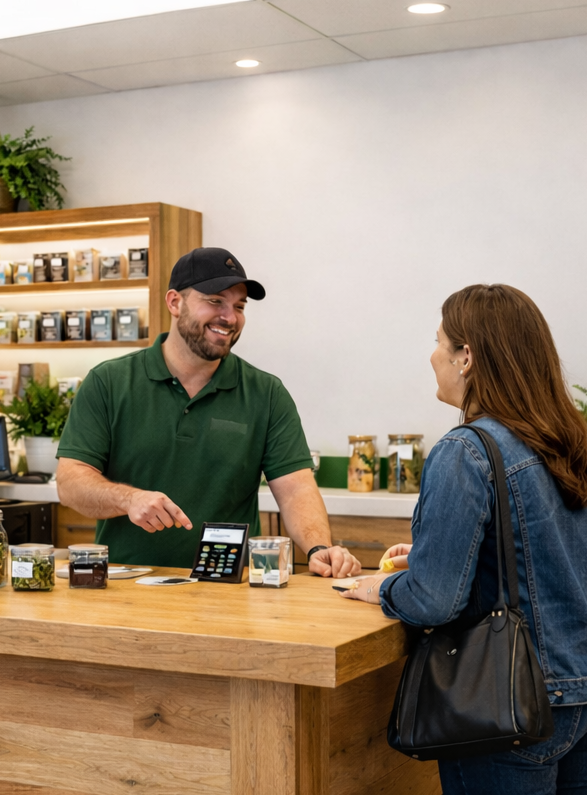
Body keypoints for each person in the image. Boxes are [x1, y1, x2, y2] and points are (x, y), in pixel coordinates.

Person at [340, 284, 587, 795]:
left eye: (438, 342)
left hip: (516, 704)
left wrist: (385, 586)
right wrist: (434, 551)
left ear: (467, 355)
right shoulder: (569, 444)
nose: (432, 356)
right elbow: (544, 560)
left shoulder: (465, 450)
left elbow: (433, 601)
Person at [55, 247, 361, 577]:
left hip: (228, 592)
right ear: (174, 302)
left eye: (239, 306)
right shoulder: (109, 383)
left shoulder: (266, 393)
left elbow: (296, 489)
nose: (230, 317)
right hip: (127, 586)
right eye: (215, 301)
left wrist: (318, 548)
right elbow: (70, 482)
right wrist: (128, 500)